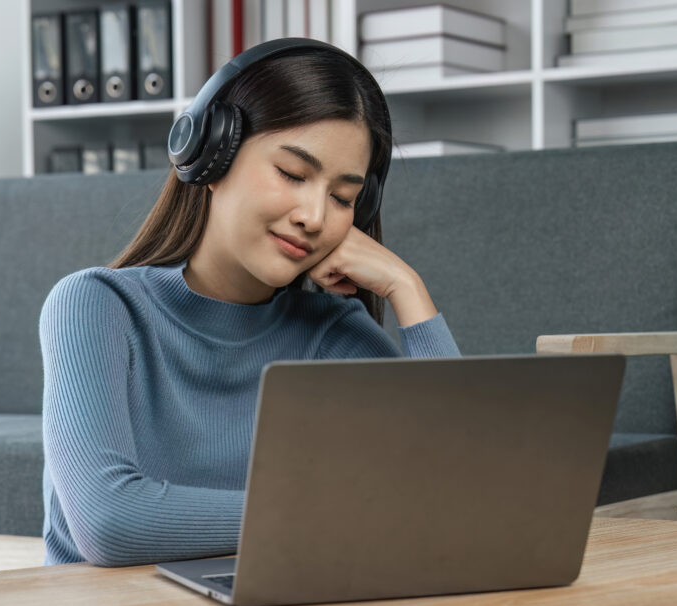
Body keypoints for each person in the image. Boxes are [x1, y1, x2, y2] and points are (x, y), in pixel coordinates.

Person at [39, 39, 461, 569]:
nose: (315, 215)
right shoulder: (97, 307)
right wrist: (345, 515)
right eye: (292, 173)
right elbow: (109, 522)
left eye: (343, 198)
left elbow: (456, 499)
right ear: (212, 154)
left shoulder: (330, 333)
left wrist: (407, 289)